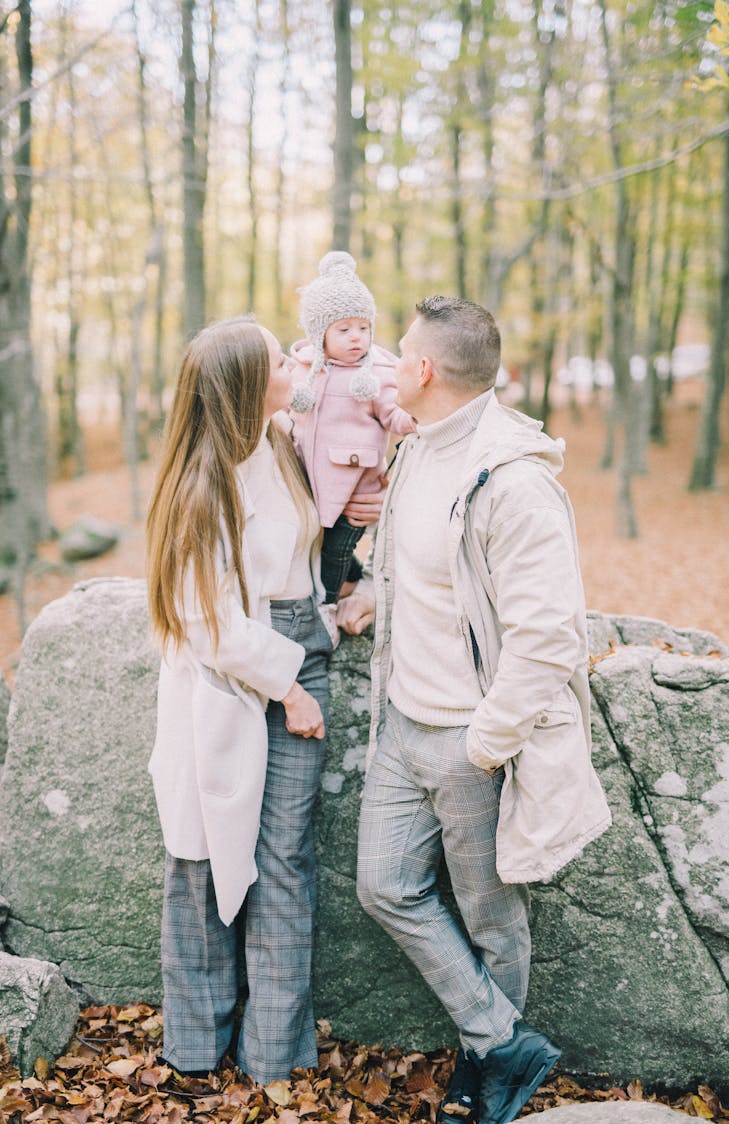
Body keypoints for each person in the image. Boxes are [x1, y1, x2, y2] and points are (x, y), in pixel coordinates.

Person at [350, 297, 612, 1124]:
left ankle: (488, 1061)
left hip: (471, 737)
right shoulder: (417, 447)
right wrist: (365, 592)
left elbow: (548, 635)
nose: (391, 362)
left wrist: (487, 744)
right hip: (401, 725)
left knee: (493, 918)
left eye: (399, 352)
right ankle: (507, 1041)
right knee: (385, 886)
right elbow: (417, 571)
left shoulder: (515, 479)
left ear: (425, 370)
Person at [146, 316, 333, 1083]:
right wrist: (287, 688)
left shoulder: (282, 441)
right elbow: (207, 621)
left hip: (296, 642)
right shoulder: (200, 488)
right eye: (276, 357)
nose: (293, 361)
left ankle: (273, 1062)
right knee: (200, 857)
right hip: (231, 674)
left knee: (284, 860)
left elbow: (367, 384)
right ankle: (194, 1051)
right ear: (245, 389)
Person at [289, 251, 416, 609]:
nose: (356, 337)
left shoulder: (377, 373)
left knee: (335, 552)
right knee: (315, 546)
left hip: (355, 489)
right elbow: (287, 413)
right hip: (309, 485)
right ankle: (352, 581)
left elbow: (395, 413)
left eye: (363, 328)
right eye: (343, 330)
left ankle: (325, 608)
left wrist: (415, 420)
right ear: (319, 334)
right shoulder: (302, 370)